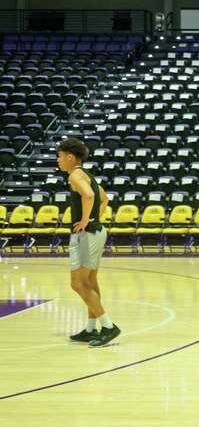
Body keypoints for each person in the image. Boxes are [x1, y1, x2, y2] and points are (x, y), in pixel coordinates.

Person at [56, 137, 120, 346]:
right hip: (96, 232)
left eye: (59, 157)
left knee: (78, 283)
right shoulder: (87, 174)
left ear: (69, 156)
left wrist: (84, 220)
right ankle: (92, 329)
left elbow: (90, 195)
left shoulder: (75, 175)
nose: (58, 161)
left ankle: (108, 326)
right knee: (90, 282)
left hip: (86, 235)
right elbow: (104, 198)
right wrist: (95, 219)